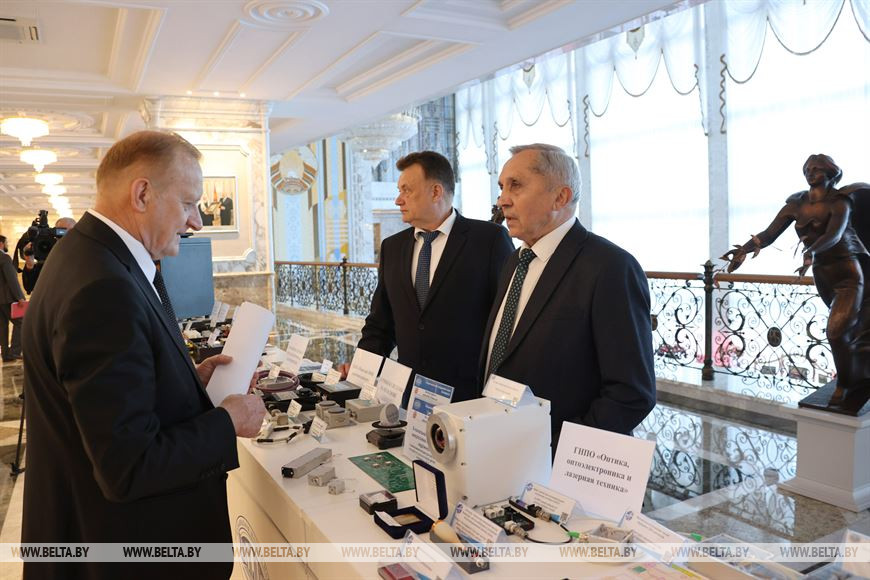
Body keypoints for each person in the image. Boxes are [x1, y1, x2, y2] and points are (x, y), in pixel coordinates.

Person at [21, 130, 265, 579]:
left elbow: (104, 402)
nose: (197, 222)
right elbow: (128, 467)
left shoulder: (88, 256)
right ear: (142, 194)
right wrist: (228, 422)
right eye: (189, 203)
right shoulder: (103, 288)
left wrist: (185, 380)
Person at [480, 143, 655, 446]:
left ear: (560, 197)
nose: (502, 200)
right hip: (497, 443)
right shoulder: (515, 261)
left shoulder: (610, 267)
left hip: (555, 460)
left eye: (516, 185)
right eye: (501, 187)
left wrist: (559, 449)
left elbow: (631, 394)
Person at [343, 151, 514, 402]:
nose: (398, 200)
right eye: (399, 191)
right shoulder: (393, 247)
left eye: (406, 190)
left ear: (435, 192)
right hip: (408, 395)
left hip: (468, 398)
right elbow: (381, 324)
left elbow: (505, 324)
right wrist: (359, 372)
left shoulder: (488, 240)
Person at [722, 154, 870, 408]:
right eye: (808, 168)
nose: (811, 172)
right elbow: (768, 234)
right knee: (846, 329)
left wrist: (811, 251)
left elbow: (834, 234)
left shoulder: (840, 202)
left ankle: (846, 384)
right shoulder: (796, 204)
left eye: (817, 169)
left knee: (836, 332)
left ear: (831, 173)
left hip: (847, 272)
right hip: (823, 275)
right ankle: (858, 374)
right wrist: (743, 250)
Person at [21, 217, 77, 294]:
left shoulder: (82, 253)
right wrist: (29, 265)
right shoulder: (48, 254)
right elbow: (29, 286)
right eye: (61, 231)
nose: (64, 235)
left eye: (68, 232)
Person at [0, 235, 26, 362]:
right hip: (7, 299)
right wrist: (20, 297)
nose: (7, 245)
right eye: (6, 242)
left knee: (2, 326)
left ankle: (5, 354)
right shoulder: (4, 257)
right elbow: (12, 280)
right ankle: (15, 351)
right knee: (22, 323)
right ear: (1, 244)